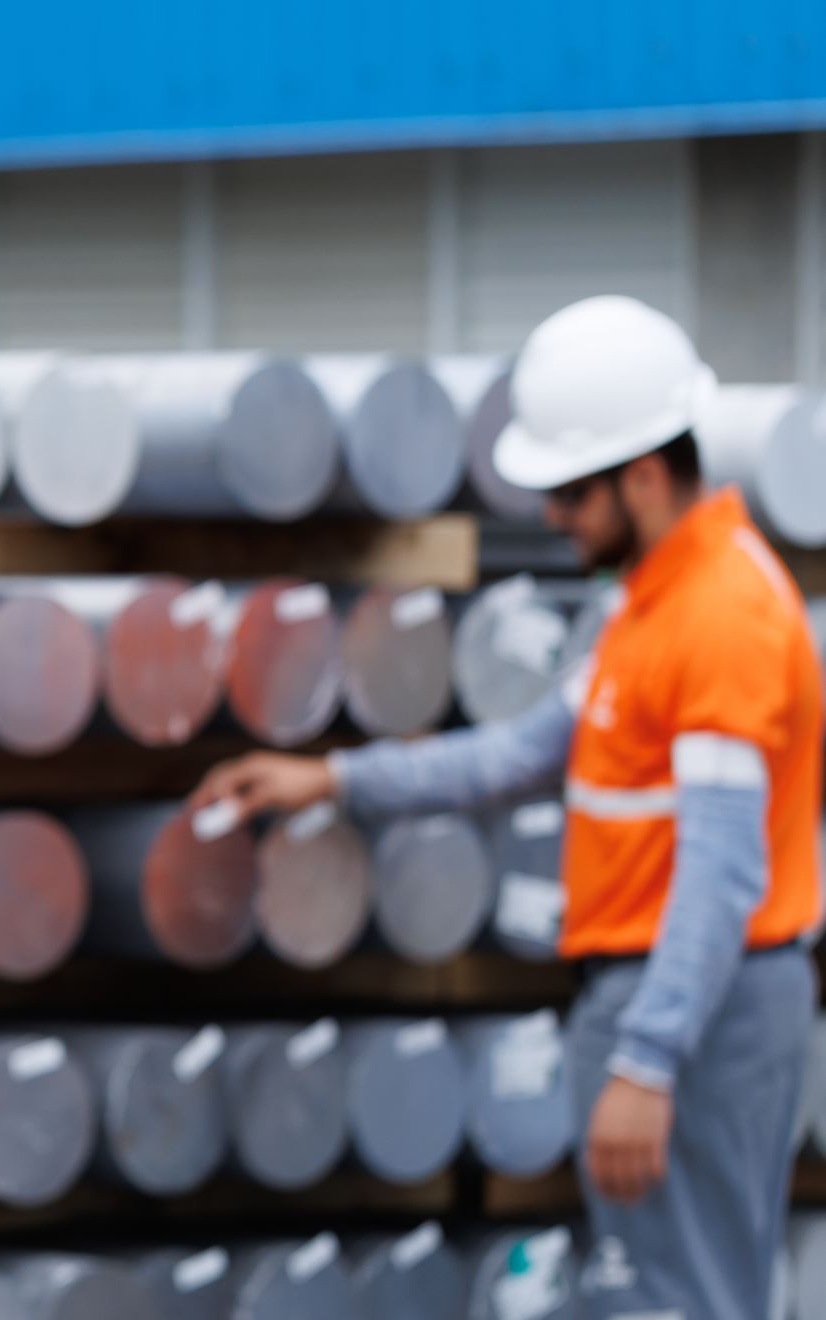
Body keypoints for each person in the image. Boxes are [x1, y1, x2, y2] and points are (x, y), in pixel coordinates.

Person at [197, 295, 820, 1320]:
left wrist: (646, 1060)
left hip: (697, 1011)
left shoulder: (721, 617)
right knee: (667, 1293)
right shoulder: (656, 602)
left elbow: (720, 870)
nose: (553, 517)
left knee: (680, 1302)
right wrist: (336, 778)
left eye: (569, 493)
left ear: (641, 476)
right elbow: (525, 751)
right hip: (670, 998)